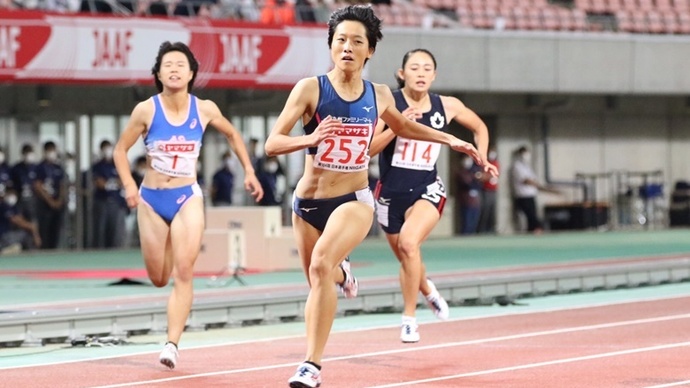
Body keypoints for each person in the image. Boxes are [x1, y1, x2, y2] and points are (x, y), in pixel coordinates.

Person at [264, 6, 484, 387]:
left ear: (370, 51)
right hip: (307, 204)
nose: (347, 47)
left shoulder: (379, 95)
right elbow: (272, 143)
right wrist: (310, 138)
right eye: (341, 40)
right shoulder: (310, 89)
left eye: (357, 41)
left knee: (319, 267)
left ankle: (310, 366)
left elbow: (406, 128)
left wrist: (452, 139)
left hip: (353, 200)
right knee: (321, 277)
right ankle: (343, 271)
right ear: (331, 45)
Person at [113, 41, 263, 370]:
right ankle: (165, 250)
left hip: (186, 197)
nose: (175, 69)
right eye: (168, 65)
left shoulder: (205, 108)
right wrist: (128, 186)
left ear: (192, 73)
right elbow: (120, 151)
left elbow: (233, 135)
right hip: (151, 200)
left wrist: (249, 171)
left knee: (184, 271)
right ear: (158, 74)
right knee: (158, 276)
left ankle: (172, 344)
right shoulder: (146, 110)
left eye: (181, 64)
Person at [369, 48, 498, 343]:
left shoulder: (446, 105)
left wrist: (482, 155)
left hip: (428, 189)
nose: (421, 73)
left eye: (427, 68)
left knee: (409, 243)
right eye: (414, 68)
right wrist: (397, 124)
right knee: (407, 256)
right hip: (389, 194)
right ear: (402, 74)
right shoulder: (388, 102)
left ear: (434, 75)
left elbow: (479, 126)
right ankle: (427, 289)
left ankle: (409, 319)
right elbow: (369, 149)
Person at [510, 145, 559, 234]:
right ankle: (536, 231)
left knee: (532, 217)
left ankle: (532, 232)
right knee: (532, 217)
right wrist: (543, 188)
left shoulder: (527, 167)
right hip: (523, 196)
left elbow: (534, 181)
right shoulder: (517, 166)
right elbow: (526, 181)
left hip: (531, 195)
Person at [92, 139, 128, 249]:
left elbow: (123, 181)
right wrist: (113, 183)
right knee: (101, 230)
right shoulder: (97, 166)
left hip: (117, 202)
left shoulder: (118, 164)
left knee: (116, 231)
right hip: (102, 202)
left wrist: (109, 183)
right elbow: (100, 184)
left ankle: (115, 252)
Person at [33, 141, 67, 249]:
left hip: (57, 204)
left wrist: (59, 200)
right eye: (50, 151)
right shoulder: (39, 167)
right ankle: (44, 250)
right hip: (44, 205)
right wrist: (50, 201)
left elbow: (62, 185)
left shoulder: (58, 168)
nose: (52, 153)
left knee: (56, 230)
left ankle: (54, 249)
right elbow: (37, 185)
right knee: (45, 230)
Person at [477, 146, 499, 234]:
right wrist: (485, 177)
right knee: (485, 210)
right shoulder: (485, 163)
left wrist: (486, 176)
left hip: (493, 190)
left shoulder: (496, 163)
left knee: (492, 210)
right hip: (486, 190)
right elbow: (481, 176)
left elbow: (492, 175)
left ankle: (490, 228)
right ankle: (482, 229)